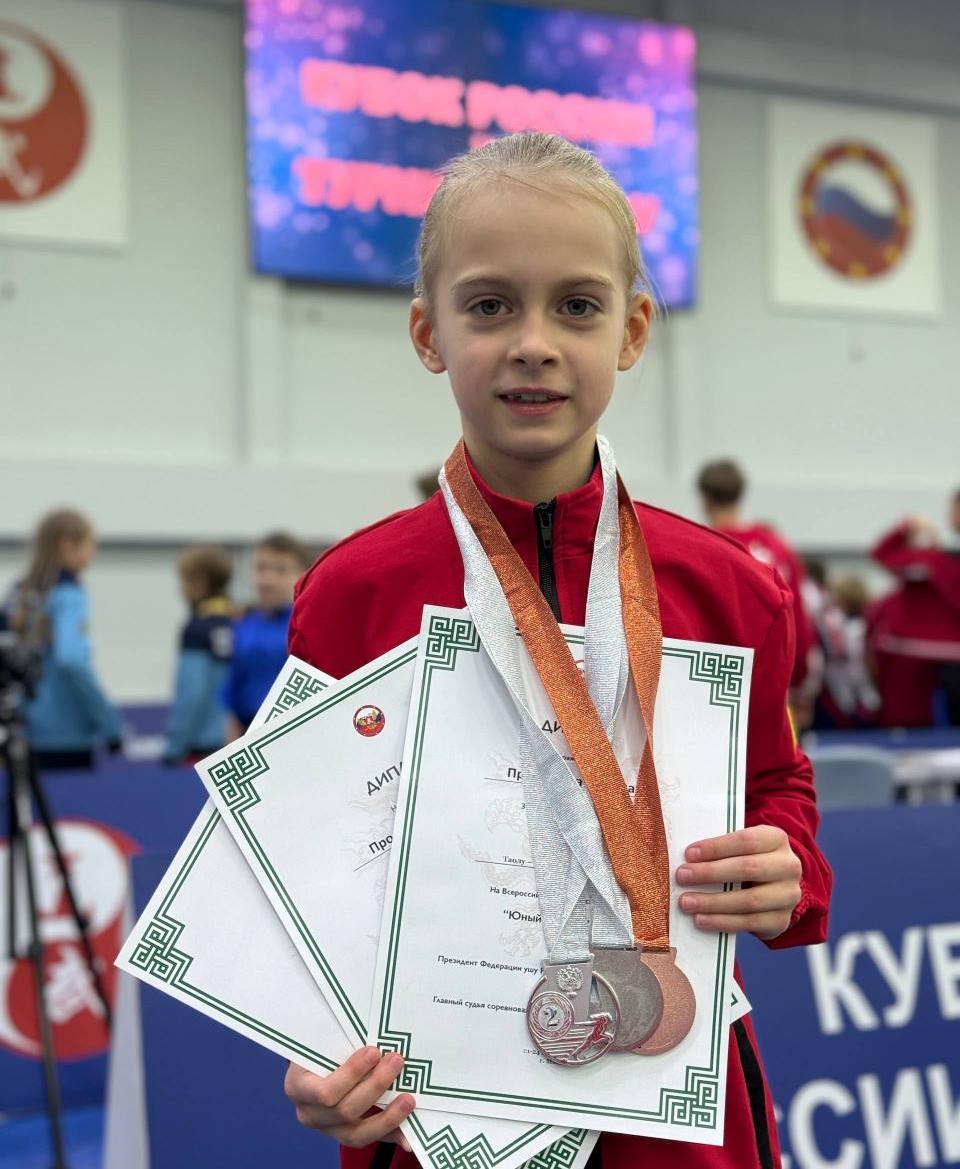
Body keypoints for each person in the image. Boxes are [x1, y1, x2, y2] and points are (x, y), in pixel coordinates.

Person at [282, 134, 831, 1169]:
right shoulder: (351, 595)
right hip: (435, 1114)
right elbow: (307, 865)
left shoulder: (730, 588)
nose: (534, 343)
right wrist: (314, 1055)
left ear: (632, 330)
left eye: (577, 306)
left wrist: (787, 865)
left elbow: (776, 780)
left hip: (670, 1120)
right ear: (428, 332)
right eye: (490, 305)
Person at [696, 460, 819, 724]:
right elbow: (798, 619)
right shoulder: (777, 546)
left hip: (721, 690)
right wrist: (800, 685)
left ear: (704, 499)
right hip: (776, 683)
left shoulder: (702, 547)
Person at [7, 508, 121, 769]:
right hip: (66, 735)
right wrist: (109, 724)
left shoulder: (18, 594)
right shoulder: (69, 595)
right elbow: (72, 660)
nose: (93, 554)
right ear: (68, 545)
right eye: (90, 545)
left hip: (22, 730)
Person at [869, 496, 960, 726]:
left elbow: (882, 553)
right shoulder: (934, 560)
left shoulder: (932, 562)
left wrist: (909, 526)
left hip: (921, 655)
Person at [222, 532, 313, 739]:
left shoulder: (311, 627)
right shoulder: (242, 627)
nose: (267, 580)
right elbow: (233, 699)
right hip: (249, 736)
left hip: (301, 737)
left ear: (303, 574)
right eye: (261, 568)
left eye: (281, 570)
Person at [164, 545, 234, 763]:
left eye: (184, 581)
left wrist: (175, 747)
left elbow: (192, 693)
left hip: (200, 747)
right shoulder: (241, 620)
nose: (180, 590)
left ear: (200, 583)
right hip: (235, 738)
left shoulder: (196, 629)